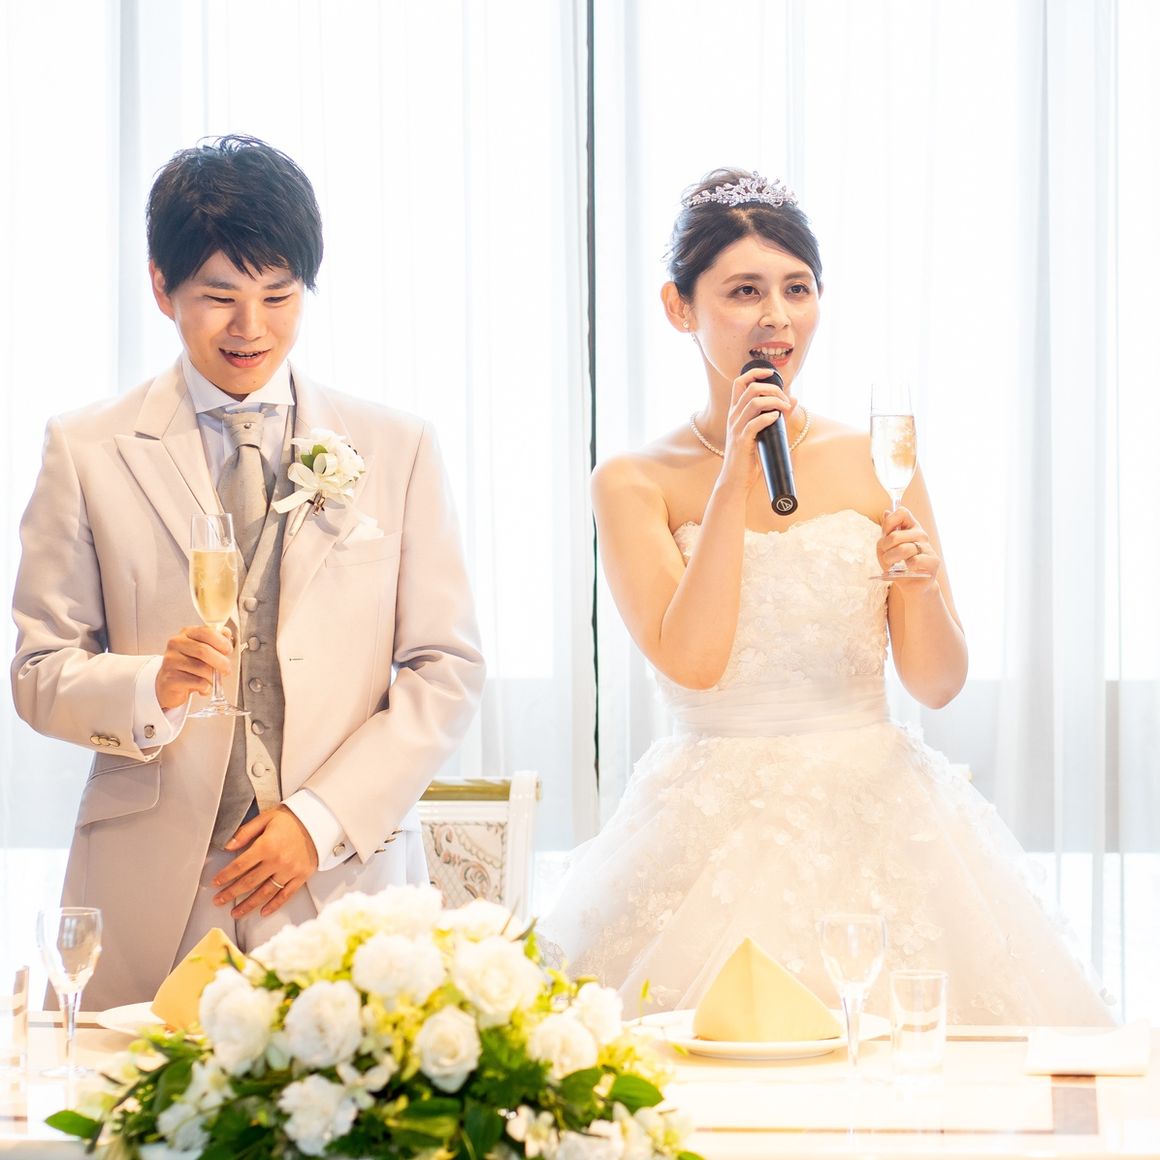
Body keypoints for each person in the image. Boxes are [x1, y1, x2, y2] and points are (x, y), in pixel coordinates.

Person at [541, 169, 1112, 1025]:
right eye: (744, 291)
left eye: (797, 289)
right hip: (703, 824)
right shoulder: (632, 480)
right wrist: (733, 478)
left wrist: (919, 585)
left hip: (880, 809)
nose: (777, 317)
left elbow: (937, 684)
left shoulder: (875, 455)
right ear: (679, 307)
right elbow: (694, 663)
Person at [11, 135, 486, 1009]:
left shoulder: (398, 447)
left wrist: (321, 818)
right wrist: (148, 688)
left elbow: (444, 668)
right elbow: (40, 673)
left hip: (339, 882)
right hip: (153, 887)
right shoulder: (86, 449)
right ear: (162, 286)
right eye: (220, 297)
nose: (251, 328)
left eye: (279, 295)